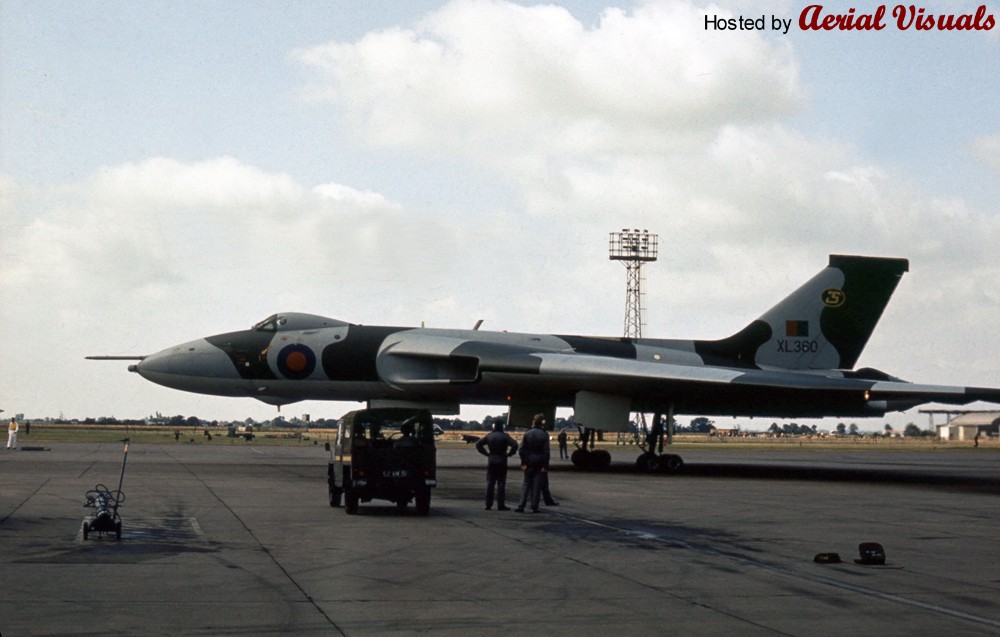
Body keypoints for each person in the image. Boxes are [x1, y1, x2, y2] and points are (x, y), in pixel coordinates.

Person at [475, 419, 518, 510]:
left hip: (492, 460)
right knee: (501, 484)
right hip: (502, 460)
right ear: (503, 426)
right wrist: (510, 454)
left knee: (490, 483)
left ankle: (488, 504)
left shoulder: (489, 436)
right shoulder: (505, 436)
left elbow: (478, 444)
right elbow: (514, 444)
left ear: (493, 426)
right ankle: (500, 505)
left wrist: (486, 453)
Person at [515, 413, 551, 513]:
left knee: (526, 484)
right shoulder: (544, 434)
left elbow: (521, 449)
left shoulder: (527, 434)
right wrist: (546, 466)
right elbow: (546, 451)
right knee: (537, 485)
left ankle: (521, 506)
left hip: (529, 461)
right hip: (539, 462)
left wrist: (523, 463)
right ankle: (534, 506)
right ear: (542, 422)